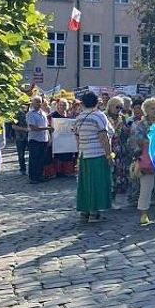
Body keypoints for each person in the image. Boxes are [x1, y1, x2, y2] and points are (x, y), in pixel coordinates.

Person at [72, 91, 114, 222]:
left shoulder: (78, 118)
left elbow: (77, 138)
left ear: (83, 103)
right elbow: (103, 137)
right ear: (96, 102)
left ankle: (85, 211)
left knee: (85, 184)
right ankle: (94, 213)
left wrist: (79, 155)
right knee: (97, 183)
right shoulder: (99, 116)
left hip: (84, 154)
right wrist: (109, 155)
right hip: (97, 154)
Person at [130, 97, 155, 226]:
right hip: (147, 158)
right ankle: (144, 213)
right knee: (146, 187)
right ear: (146, 110)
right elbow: (138, 139)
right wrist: (151, 141)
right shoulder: (141, 124)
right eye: (152, 108)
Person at [25, 96, 52, 183]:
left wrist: (49, 138)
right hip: (34, 140)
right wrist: (47, 128)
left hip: (43, 139)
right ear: (32, 103)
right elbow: (33, 127)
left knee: (41, 159)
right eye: (36, 102)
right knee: (34, 159)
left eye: (40, 102)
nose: (38, 103)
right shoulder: (30, 114)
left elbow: (46, 126)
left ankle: (39, 176)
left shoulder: (43, 113)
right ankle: (33, 177)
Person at [49, 98, 78, 177]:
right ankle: (59, 172)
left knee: (68, 154)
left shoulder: (69, 114)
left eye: (64, 105)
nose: (62, 106)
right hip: (57, 139)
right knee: (59, 155)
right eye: (61, 105)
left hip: (68, 139)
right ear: (57, 106)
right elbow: (49, 126)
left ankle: (67, 171)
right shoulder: (53, 115)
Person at [11, 103, 30, 174]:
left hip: (30, 137)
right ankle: (22, 169)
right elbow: (13, 126)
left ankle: (31, 168)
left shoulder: (31, 112)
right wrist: (24, 129)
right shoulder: (16, 113)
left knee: (32, 154)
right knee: (21, 154)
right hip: (20, 137)